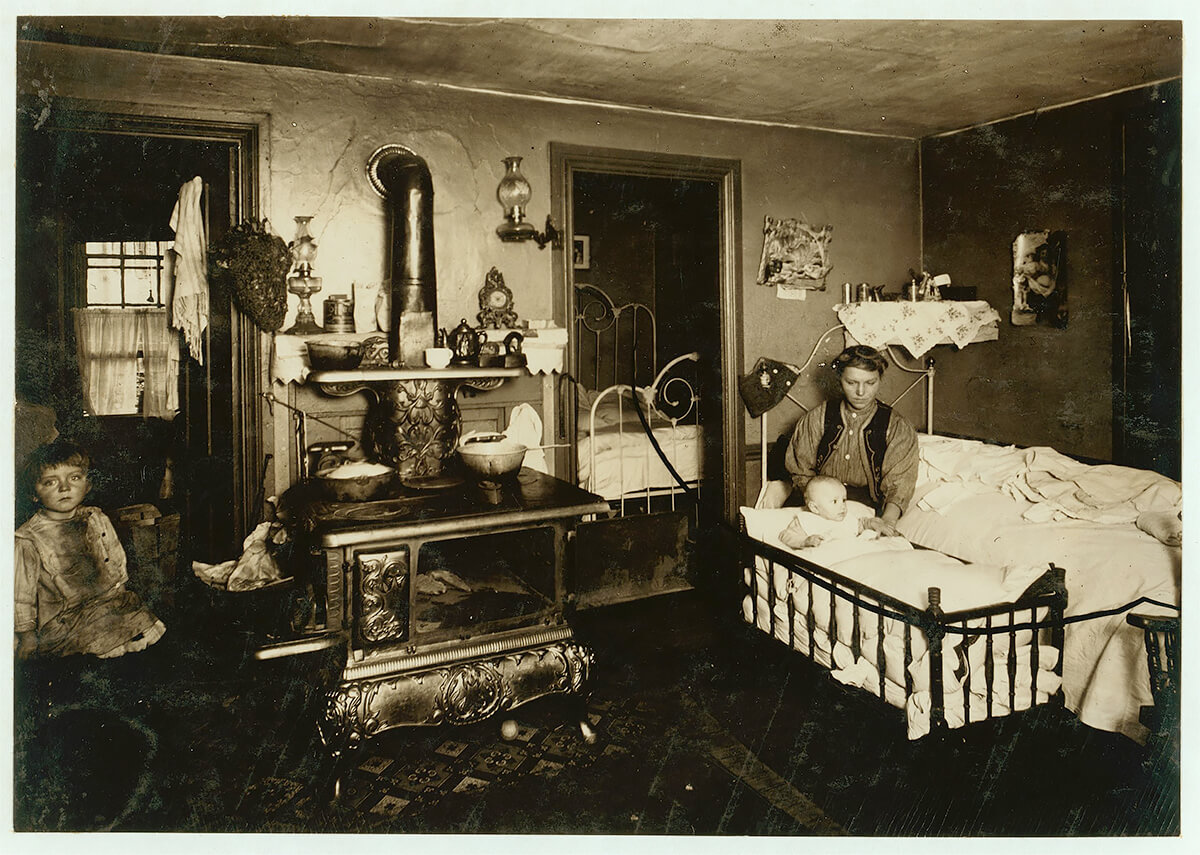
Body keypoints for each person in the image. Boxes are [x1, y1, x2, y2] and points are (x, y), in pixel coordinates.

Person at [14, 439, 165, 660]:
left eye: (74, 478)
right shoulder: (28, 538)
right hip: (66, 620)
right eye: (50, 482)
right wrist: (27, 636)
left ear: (87, 485)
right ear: (33, 493)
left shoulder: (96, 518)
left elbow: (116, 560)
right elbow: (21, 596)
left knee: (149, 628)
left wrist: (121, 599)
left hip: (108, 604)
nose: (65, 488)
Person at [783, 345, 919, 536]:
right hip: (816, 506)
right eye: (852, 382)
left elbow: (899, 484)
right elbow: (801, 472)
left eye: (870, 383)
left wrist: (886, 523)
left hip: (865, 511)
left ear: (880, 379)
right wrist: (820, 510)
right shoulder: (817, 418)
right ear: (840, 379)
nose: (861, 392)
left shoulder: (897, 427)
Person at [779, 475, 880, 549]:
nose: (843, 506)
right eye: (835, 501)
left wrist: (871, 523)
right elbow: (786, 535)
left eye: (844, 500)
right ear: (815, 508)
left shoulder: (846, 518)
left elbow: (861, 524)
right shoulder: (807, 520)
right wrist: (804, 541)